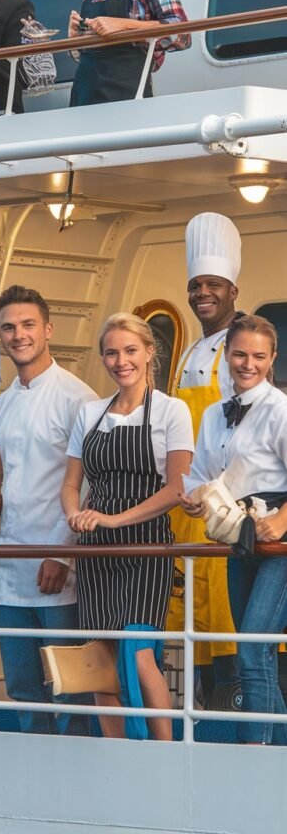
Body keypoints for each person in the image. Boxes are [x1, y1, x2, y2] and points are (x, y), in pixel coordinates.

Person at [61, 313, 194, 740]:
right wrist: (74, 515)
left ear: (150, 353)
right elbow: (71, 485)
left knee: (137, 654)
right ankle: (116, 754)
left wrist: (114, 519)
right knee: (102, 659)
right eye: (112, 353)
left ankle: (165, 751)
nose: (121, 361)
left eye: (131, 350)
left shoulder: (172, 411)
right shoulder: (90, 413)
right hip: (96, 551)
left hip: (146, 548)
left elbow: (177, 488)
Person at [0, 285, 97, 735]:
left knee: (70, 689)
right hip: (10, 567)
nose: (18, 335)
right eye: (8, 327)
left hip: (59, 567)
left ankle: (74, 772)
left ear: (48, 329)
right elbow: (1, 477)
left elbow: (90, 486)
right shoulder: (0, 406)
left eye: (28, 325)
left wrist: (62, 553)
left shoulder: (78, 399)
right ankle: (33, 770)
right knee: (23, 688)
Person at [180, 314, 287, 745]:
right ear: (227, 355)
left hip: (280, 545)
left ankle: (254, 752)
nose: (248, 364)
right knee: (253, 652)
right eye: (240, 354)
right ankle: (275, 753)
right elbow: (201, 476)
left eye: (258, 356)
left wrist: (280, 521)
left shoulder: (280, 410)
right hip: (237, 539)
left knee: (253, 649)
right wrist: (195, 499)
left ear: (272, 358)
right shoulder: (213, 415)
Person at [167, 212, 242, 695]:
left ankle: (231, 707)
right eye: (195, 286)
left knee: (225, 613)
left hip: (225, 501)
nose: (202, 294)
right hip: (187, 503)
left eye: (213, 284)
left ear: (233, 290)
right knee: (190, 616)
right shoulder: (191, 350)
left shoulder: (239, 346)